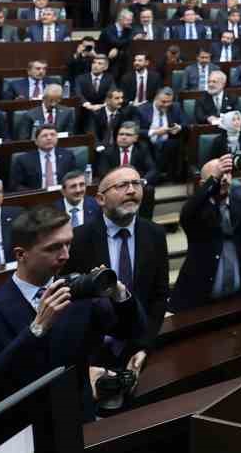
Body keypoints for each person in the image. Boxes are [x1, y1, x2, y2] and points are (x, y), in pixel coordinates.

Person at [0, 205, 146, 418]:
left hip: (78, 420)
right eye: (53, 248)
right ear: (21, 254)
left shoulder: (78, 294)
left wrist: (120, 295)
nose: (65, 255)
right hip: (22, 430)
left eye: (68, 244)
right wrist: (36, 330)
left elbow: (134, 333)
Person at [64, 167, 168, 392]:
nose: (132, 190)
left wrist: (144, 347)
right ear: (100, 199)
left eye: (137, 183)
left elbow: (159, 297)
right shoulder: (79, 238)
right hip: (91, 356)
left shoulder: (155, 234)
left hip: (137, 349)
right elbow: (70, 299)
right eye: (122, 186)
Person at [170, 154, 241, 310]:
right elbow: (187, 213)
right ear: (203, 183)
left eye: (226, 173)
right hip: (202, 295)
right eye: (218, 175)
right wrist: (214, 180)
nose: (224, 179)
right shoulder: (197, 210)